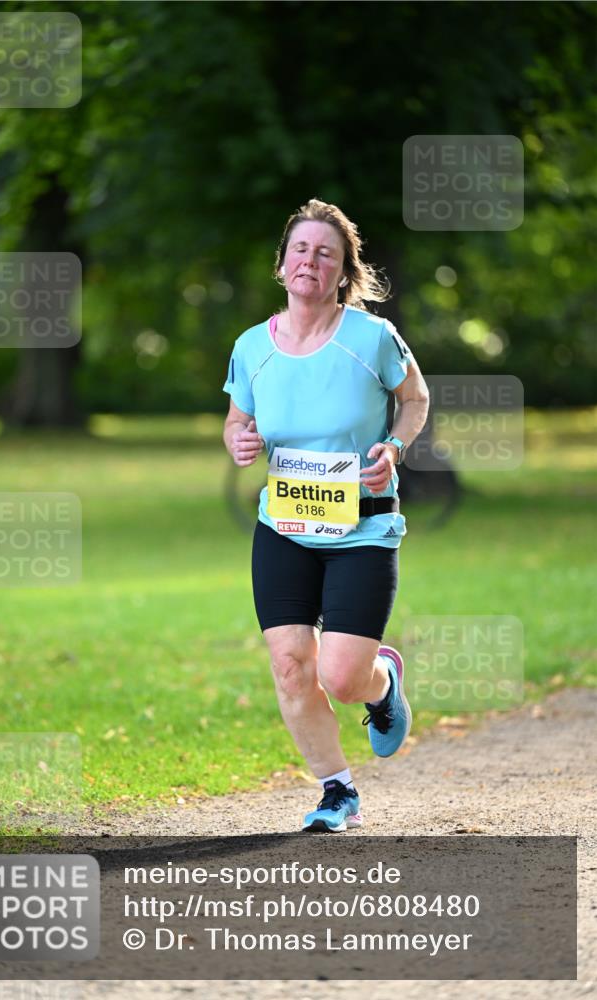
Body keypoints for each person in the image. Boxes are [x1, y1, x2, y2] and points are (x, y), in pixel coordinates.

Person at [222, 199, 430, 832]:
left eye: (326, 253)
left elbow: (414, 398)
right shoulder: (252, 346)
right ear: (282, 266)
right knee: (290, 664)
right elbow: (237, 421)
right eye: (301, 250)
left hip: (362, 527)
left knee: (341, 678)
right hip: (283, 525)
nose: (311, 260)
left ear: (343, 272)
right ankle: (337, 791)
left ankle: (381, 685)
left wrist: (394, 448)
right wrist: (239, 441)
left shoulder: (372, 337)